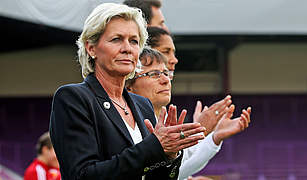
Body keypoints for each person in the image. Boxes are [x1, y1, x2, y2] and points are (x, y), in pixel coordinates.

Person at [49, 3, 206, 180]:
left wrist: (169, 156)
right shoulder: (73, 98)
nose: (127, 48)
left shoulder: (142, 104)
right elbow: (83, 175)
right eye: (116, 39)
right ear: (91, 48)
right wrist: (155, 147)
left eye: (134, 41)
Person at [126, 47, 251, 179]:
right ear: (128, 86)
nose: (165, 80)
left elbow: (174, 170)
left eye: (166, 73)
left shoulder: (163, 117)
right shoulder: (125, 124)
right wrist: (199, 130)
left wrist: (213, 138)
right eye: (154, 74)